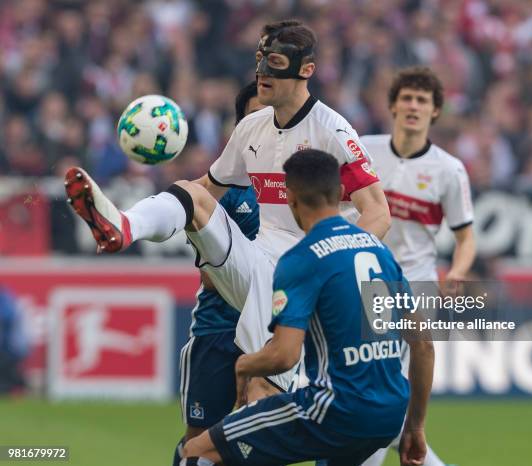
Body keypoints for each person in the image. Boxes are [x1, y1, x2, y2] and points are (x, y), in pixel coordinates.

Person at [64, 20, 390, 394]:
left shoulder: (332, 131)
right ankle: (124, 226)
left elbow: (379, 213)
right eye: (260, 59)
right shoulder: (251, 128)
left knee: (260, 398)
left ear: (306, 70)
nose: (263, 72)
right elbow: (207, 192)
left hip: (303, 276)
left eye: (277, 62)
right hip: (256, 260)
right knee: (193, 194)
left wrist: (328, 262)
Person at [181, 149, 434, 466]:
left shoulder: (300, 259)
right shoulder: (380, 251)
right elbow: (423, 344)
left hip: (335, 409)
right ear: (341, 194)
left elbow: (284, 355)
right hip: (389, 415)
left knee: (197, 451)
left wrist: (244, 366)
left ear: (290, 199)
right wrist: (415, 425)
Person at [360, 66, 475, 466]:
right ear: (392, 105)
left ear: (435, 112)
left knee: (379, 396)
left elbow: (466, 236)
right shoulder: (362, 149)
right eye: (406, 98)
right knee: (380, 401)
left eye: (422, 100)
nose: (413, 106)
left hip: (417, 287)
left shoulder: (449, 169)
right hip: (365, 283)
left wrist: (458, 271)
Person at [172, 81, 264, 466]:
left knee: (254, 448)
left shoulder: (301, 187)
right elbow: (213, 276)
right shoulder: (221, 188)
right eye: (258, 116)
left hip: (271, 334)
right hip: (218, 333)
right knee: (199, 444)